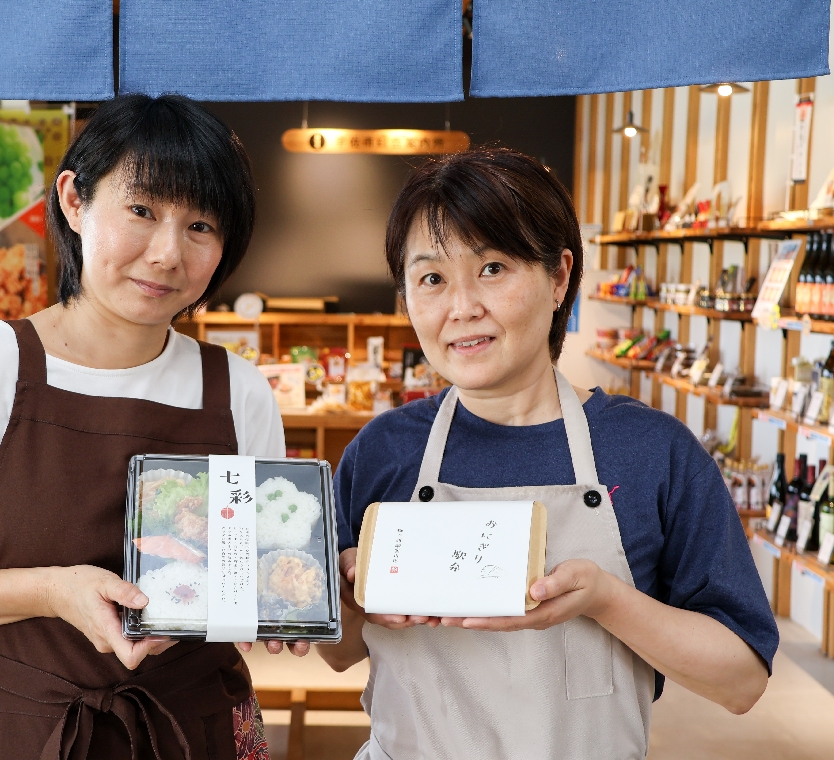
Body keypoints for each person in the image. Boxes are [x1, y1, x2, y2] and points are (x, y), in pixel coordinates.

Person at [0, 94, 303, 760]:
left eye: (201, 226)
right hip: (24, 731)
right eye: (142, 211)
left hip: (196, 731)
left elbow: (247, 579)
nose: (168, 253)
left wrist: (285, 598)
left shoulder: (239, 391)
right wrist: (53, 590)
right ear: (74, 200)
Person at [317, 148, 778, 759]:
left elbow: (742, 680)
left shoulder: (649, 452)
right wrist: (346, 598)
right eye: (431, 278)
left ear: (559, 277)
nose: (461, 308)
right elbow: (341, 652)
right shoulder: (383, 450)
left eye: (493, 268)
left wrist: (609, 600)